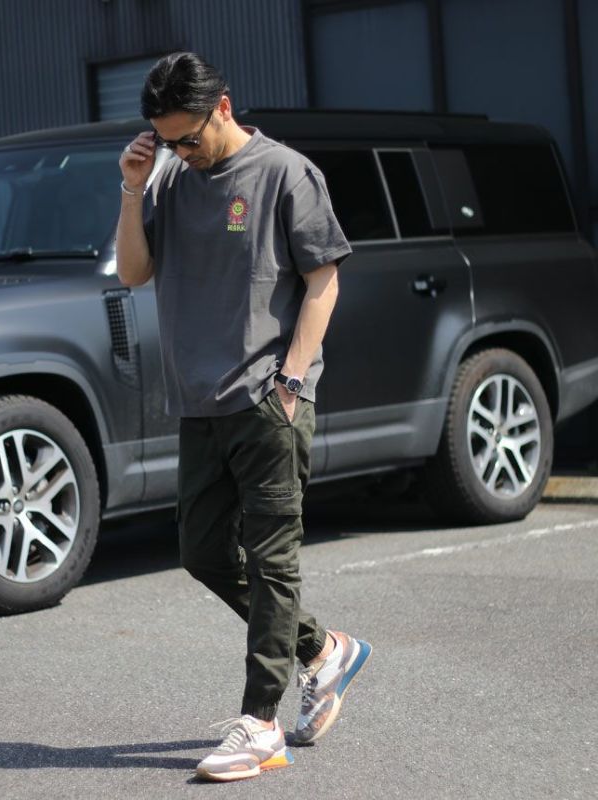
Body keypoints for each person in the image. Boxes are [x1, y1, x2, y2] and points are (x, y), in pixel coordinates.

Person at [116, 52, 371, 782]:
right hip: (199, 403)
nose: (181, 152)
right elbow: (134, 272)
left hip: (267, 398)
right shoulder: (168, 180)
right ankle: (323, 650)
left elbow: (323, 281)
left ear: (222, 108)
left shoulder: (286, 173)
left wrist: (290, 380)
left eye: (189, 138)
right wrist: (133, 188)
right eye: (168, 141)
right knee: (202, 553)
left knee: (271, 558)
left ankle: (261, 723)